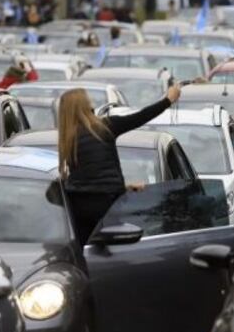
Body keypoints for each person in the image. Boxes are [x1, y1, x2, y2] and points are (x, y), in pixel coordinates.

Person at [60, 85, 182, 245]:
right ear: (86, 107)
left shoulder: (67, 139)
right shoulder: (105, 127)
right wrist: (168, 100)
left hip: (77, 208)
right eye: (89, 102)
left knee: (86, 252)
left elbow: (87, 177)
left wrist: (124, 187)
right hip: (106, 206)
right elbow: (140, 117)